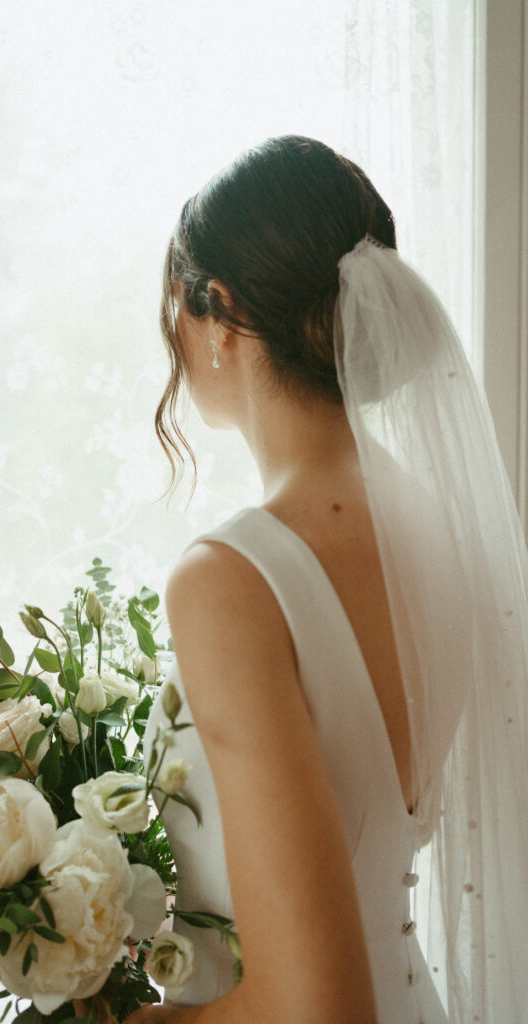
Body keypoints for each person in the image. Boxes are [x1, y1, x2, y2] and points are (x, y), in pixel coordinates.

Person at [125, 136, 528, 1023]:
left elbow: (313, 1005)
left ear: (217, 309)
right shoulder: (446, 533)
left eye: (177, 311)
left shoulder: (229, 580)